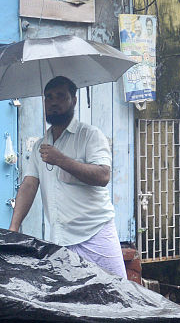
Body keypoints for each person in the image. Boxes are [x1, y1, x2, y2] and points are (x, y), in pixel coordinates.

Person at [9, 76, 127, 278]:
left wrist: (61, 160)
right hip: (60, 237)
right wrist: (14, 226)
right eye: (48, 97)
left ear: (74, 99)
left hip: (96, 232)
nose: (54, 102)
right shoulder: (40, 145)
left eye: (61, 96)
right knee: (68, 299)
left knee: (120, 293)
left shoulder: (90, 135)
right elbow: (29, 185)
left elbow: (103, 175)